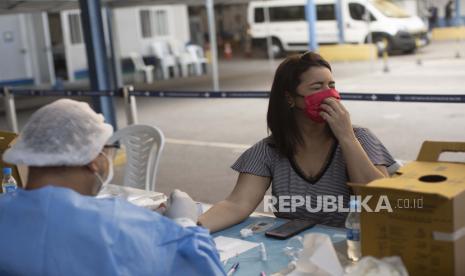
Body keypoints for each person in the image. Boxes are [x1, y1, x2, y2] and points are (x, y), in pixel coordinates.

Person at [0, 99, 225, 276]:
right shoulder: (117, 226)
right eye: (109, 147)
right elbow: (201, 266)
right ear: (93, 159)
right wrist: (184, 226)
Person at [198, 52, 398, 232]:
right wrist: (189, 230)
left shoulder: (359, 138)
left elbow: (379, 201)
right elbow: (236, 204)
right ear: (290, 98)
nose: (329, 95)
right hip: (293, 250)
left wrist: (346, 137)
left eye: (332, 86)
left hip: (354, 246)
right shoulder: (269, 150)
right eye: (317, 87)